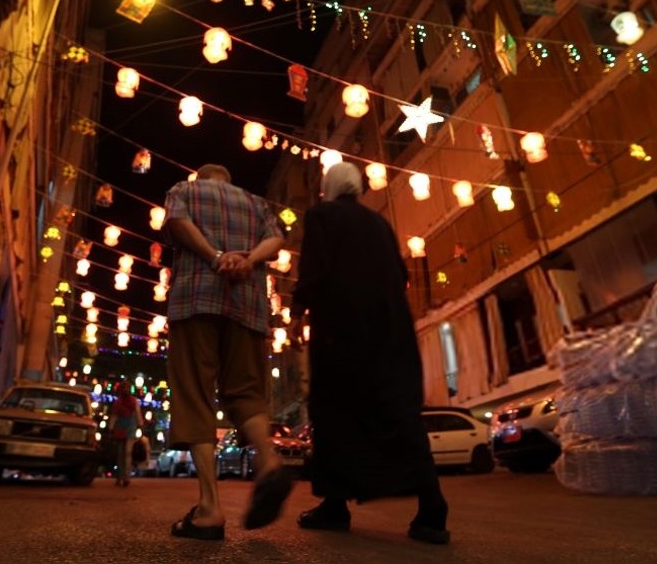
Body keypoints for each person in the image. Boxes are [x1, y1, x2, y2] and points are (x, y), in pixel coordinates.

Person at [290, 161, 450, 545]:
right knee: (396, 413)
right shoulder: (380, 224)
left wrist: (297, 314)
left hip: (343, 335)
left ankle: (334, 505)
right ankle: (432, 509)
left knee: (336, 413)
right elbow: (400, 274)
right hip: (391, 333)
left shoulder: (321, 217)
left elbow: (315, 270)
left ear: (327, 189)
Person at [162, 163, 290, 541]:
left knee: (195, 395)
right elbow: (277, 239)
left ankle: (209, 508)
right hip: (247, 305)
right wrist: (247, 260)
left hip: (195, 299)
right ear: (228, 180)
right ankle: (269, 461)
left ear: (200, 177)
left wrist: (216, 256)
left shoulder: (184, 191)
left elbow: (179, 224)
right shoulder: (255, 202)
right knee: (246, 392)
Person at [110, 382, 144, 487]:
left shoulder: (133, 401)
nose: (125, 389)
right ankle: (120, 477)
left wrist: (140, 424)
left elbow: (137, 414)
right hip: (121, 429)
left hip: (129, 429)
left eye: (127, 387)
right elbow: (114, 416)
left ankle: (125, 477)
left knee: (127, 453)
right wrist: (111, 427)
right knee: (121, 454)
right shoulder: (118, 402)